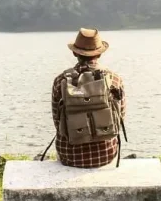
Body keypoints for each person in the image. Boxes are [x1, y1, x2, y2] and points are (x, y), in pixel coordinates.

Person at [42, 28, 127, 168]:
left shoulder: (61, 81)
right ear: (99, 54)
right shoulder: (114, 79)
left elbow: (58, 122)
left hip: (70, 156)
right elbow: (120, 116)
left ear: (75, 53)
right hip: (105, 155)